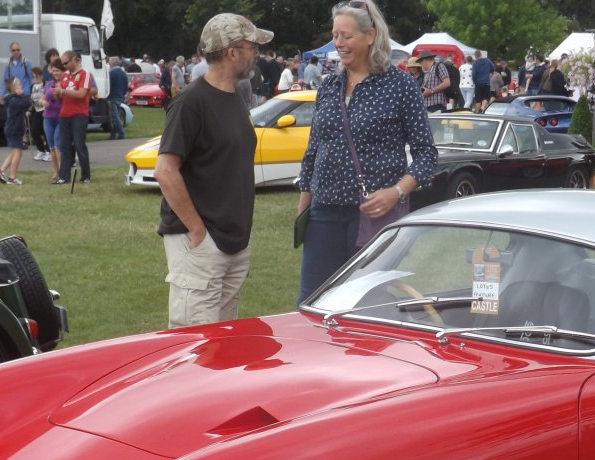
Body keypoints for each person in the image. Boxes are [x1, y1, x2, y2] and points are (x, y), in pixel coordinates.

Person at [295, 0, 437, 303]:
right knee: (312, 300)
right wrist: (304, 212)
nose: (338, 43)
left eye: (346, 36)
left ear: (370, 35)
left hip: (373, 214)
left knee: (364, 301)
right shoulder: (329, 86)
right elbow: (313, 152)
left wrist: (396, 192)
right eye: (335, 35)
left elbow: (427, 154)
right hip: (323, 212)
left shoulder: (400, 86)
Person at [156, 14, 273, 327]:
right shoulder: (190, 103)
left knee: (224, 339)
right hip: (202, 243)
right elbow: (166, 171)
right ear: (232, 52)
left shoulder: (235, 96)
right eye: (252, 47)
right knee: (196, 342)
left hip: (234, 241)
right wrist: (197, 230)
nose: (257, 54)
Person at [53, 49, 96, 185]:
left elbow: (82, 94)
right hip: (64, 114)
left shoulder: (85, 73)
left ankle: (85, 175)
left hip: (79, 114)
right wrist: (56, 93)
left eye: (66, 63)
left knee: (79, 144)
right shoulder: (65, 75)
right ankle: (64, 176)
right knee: (64, 146)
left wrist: (63, 91)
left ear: (74, 60)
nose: (64, 66)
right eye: (63, 63)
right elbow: (61, 95)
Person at [0, 77, 30, 185]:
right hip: (14, 129)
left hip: (13, 129)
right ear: (14, 88)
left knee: (15, 152)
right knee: (18, 153)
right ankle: (12, 177)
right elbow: (26, 103)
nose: (21, 86)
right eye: (19, 84)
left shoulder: (12, 99)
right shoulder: (13, 100)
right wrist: (22, 94)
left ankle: (1, 171)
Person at [42, 61, 65, 180]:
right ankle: (56, 172)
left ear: (63, 71)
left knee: (57, 144)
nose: (55, 73)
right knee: (51, 146)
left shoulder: (66, 83)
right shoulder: (49, 84)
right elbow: (42, 97)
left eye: (58, 70)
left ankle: (62, 172)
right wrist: (43, 102)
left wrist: (60, 91)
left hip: (60, 117)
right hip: (48, 117)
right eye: (54, 70)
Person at [29, 66, 49, 160]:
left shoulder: (45, 84)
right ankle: (41, 150)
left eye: (37, 76)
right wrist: (29, 110)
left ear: (41, 76)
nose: (35, 78)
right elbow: (32, 100)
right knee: (34, 131)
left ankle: (48, 151)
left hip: (45, 110)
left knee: (45, 132)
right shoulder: (32, 87)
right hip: (37, 111)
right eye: (33, 77)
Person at [107, 56, 127, 140]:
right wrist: (123, 94)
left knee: (114, 116)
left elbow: (108, 85)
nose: (108, 63)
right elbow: (126, 85)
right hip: (120, 96)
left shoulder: (111, 73)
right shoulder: (123, 73)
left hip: (112, 96)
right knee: (117, 115)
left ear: (112, 63)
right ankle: (113, 133)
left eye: (109, 62)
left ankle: (121, 132)